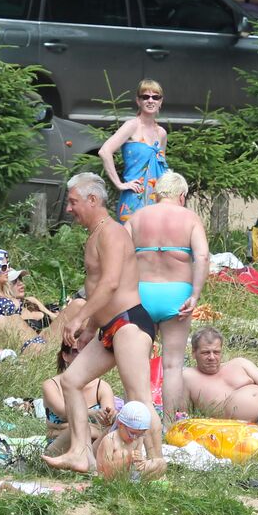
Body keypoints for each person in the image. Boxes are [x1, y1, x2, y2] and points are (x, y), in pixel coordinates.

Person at [43, 173, 164, 475]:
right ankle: (81, 452)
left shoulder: (112, 232)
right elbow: (100, 287)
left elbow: (110, 284)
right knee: (70, 381)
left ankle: (156, 462)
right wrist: (91, 328)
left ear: (92, 200)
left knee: (139, 397)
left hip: (129, 324)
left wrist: (81, 316)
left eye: (73, 202)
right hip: (110, 328)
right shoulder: (95, 234)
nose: (69, 209)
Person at [124, 170, 209, 418]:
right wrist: (195, 294)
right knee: (173, 365)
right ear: (181, 195)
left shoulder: (137, 217)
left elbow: (119, 256)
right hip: (177, 294)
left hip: (141, 293)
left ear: (157, 194)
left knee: (136, 363)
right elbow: (202, 257)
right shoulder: (190, 218)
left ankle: (135, 422)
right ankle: (169, 424)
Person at [99, 79, 168, 223]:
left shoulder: (161, 133)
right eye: (145, 97)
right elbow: (105, 151)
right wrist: (119, 184)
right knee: (130, 242)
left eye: (155, 97)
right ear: (138, 101)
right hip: (133, 200)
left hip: (157, 202)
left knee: (153, 244)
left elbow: (163, 169)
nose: (150, 100)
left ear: (161, 102)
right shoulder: (132, 125)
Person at [42, 341, 117, 452]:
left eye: (87, 350)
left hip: (94, 446)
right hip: (59, 446)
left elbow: (108, 421)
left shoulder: (102, 387)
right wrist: (93, 415)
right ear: (65, 355)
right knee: (83, 428)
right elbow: (63, 413)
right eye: (76, 351)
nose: (82, 354)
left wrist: (110, 415)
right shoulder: (51, 385)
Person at [0, 268, 58, 355]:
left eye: (20, 279)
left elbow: (55, 318)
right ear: (4, 285)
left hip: (49, 339)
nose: (21, 284)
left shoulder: (31, 303)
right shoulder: (5, 312)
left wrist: (46, 309)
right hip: (36, 347)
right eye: (14, 281)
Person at [93, 401, 165, 481]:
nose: (135, 438)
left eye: (140, 434)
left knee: (161, 463)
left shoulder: (138, 438)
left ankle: (139, 482)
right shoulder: (110, 440)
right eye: (132, 433)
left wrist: (141, 461)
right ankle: (131, 483)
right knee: (121, 454)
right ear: (120, 424)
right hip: (112, 478)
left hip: (131, 475)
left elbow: (137, 460)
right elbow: (104, 471)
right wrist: (127, 459)